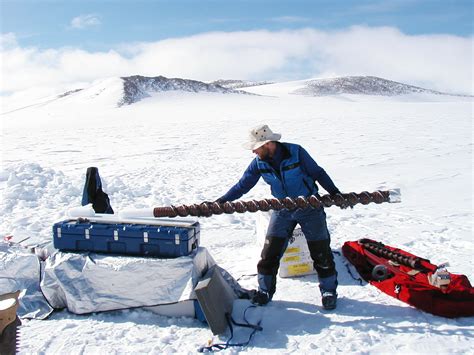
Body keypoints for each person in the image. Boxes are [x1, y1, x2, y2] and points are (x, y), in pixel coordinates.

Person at [216, 124, 342, 310]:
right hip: (283, 210)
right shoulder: (259, 162)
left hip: (310, 207)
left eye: (256, 148)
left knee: (321, 252)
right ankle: (265, 291)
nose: (254, 152)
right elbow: (243, 184)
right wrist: (223, 200)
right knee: (269, 254)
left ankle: (328, 291)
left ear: (268, 144)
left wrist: (334, 192)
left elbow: (317, 173)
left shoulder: (296, 153)